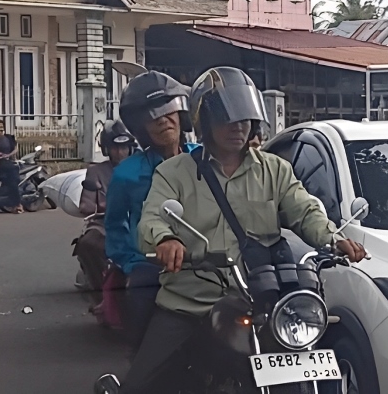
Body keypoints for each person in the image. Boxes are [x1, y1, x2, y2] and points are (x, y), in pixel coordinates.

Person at [122, 67, 366, 393]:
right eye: (228, 118)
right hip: (191, 302)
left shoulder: (274, 170)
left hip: (259, 299)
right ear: (205, 120)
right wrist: (165, 239)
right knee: (140, 384)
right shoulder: (173, 173)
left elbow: (305, 210)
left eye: (245, 119)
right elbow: (152, 218)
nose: (238, 126)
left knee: (302, 360)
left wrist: (333, 239)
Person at [104, 71, 198, 349]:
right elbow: (114, 225)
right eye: (152, 116)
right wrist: (133, 262)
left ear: (182, 115)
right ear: (141, 127)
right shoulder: (126, 173)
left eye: (168, 111)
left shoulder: (204, 160)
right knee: (143, 330)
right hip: (151, 267)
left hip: (206, 261)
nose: (162, 120)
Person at [74, 120, 136, 303]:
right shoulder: (96, 172)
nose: (120, 152)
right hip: (104, 222)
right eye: (115, 148)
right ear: (106, 150)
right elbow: (85, 206)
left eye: (124, 147)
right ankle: (101, 294)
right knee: (88, 243)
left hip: (137, 220)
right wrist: (104, 203)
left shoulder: (140, 168)